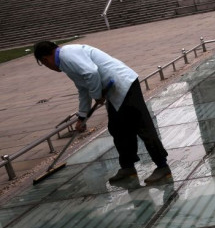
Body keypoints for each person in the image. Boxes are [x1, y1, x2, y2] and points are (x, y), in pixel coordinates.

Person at [33, 41, 171, 185]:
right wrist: (82, 116)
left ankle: (162, 166)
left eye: (45, 65)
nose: (49, 67)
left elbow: (91, 72)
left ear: (45, 59)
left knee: (141, 126)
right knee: (117, 129)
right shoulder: (65, 62)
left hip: (123, 84)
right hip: (114, 91)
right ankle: (127, 167)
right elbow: (83, 89)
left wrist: (97, 95)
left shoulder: (67, 54)